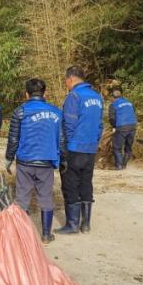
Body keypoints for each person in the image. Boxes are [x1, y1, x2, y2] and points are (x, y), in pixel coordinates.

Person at [5, 79, 62, 243]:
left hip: (25, 161)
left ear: (26, 94)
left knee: (22, 198)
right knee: (46, 197)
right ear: (45, 93)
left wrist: (9, 158)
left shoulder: (20, 112)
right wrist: (62, 160)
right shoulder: (57, 113)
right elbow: (62, 139)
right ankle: (46, 235)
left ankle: (20, 237)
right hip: (46, 160)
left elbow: (13, 139)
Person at [56, 66, 103, 235]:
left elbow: (68, 125)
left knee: (70, 185)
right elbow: (100, 125)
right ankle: (86, 224)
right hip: (90, 148)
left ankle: (72, 224)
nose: (66, 84)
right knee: (86, 183)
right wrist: (94, 142)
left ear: (70, 79)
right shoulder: (97, 97)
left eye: (66, 81)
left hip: (75, 148)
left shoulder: (74, 96)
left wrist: (66, 149)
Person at [108, 87, 137, 169]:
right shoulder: (129, 103)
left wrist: (114, 126)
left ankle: (119, 166)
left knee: (117, 147)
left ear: (112, 97)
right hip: (132, 126)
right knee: (128, 147)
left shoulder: (113, 105)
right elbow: (133, 112)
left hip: (121, 127)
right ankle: (124, 165)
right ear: (121, 95)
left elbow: (112, 118)